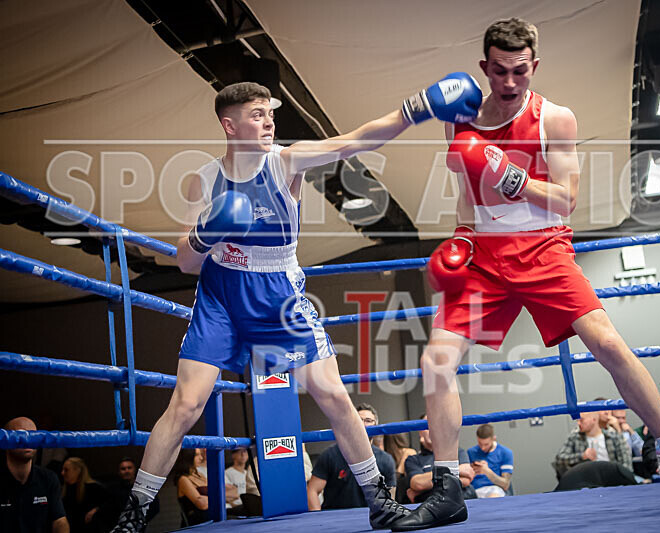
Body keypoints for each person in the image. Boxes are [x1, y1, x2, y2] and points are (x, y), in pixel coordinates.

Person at [391, 17, 660, 531]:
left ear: (534, 66)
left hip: (545, 246)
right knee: (436, 360)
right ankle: (446, 489)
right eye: (499, 71)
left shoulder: (556, 118)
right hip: (484, 253)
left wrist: (514, 177)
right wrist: (461, 233)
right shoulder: (460, 118)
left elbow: (567, 200)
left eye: (519, 71)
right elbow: (466, 194)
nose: (508, 82)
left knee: (609, 345)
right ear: (485, 67)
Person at [111, 75, 481, 532]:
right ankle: (133, 516)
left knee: (332, 394)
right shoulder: (204, 179)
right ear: (230, 125)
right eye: (257, 115)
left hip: (276, 293)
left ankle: (380, 501)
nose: (268, 122)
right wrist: (208, 231)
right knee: (185, 405)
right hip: (220, 295)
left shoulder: (286, 161)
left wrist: (414, 109)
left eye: (270, 113)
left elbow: (354, 141)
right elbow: (186, 261)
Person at [306, 404, 397, 511]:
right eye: (358, 420)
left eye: (368, 420)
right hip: (335, 519)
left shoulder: (385, 459)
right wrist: (319, 520)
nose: (362, 424)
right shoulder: (330, 455)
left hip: (370, 518)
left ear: (376, 425)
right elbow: (312, 490)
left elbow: (390, 497)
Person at [0, 417, 69, 533]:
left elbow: (59, 521)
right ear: (6, 439)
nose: (28, 440)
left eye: (33, 435)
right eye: (21, 434)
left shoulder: (48, 478)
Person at [403, 415, 475, 504]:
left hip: (463, 500)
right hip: (431, 504)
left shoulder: (457, 451)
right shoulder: (413, 460)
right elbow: (418, 483)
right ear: (420, 432)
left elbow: (466, 479)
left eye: (436, 426)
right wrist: (457, 470)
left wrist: (426, 484)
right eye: (427, 427)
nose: (432, 431)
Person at [554, 412, 633, 479]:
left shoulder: (613, 436)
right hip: (585, 481)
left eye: (581, 420)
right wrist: (582, 456)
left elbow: (626, 463)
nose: (578, 423)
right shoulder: (575, 436)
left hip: (612, 479)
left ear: (594, 420)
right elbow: (560, 458)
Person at [97, 458, 159, 531]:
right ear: (119, 472)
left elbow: (155, 507)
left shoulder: (143, 488)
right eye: (123, 469)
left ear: (135, 469)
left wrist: (139, 520)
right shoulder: (112, 490)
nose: (126, 471)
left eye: (129, 468)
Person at [61, 457, 108, 533]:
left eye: (66, 470)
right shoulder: (63, 490)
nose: (62, 473)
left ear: (78, 471)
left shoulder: (95, 488)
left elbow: (110, 505)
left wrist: (96, 509)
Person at [466, 424, 512, 498]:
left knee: (493, 497)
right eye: (480, 444)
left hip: (494, 489)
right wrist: (472, 470)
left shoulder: (505, 452)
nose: (483, 448)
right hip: (474, 491)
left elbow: (505, 484)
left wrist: (487, 471)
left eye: (486, 444)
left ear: (494, 439)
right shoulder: (471, 452)